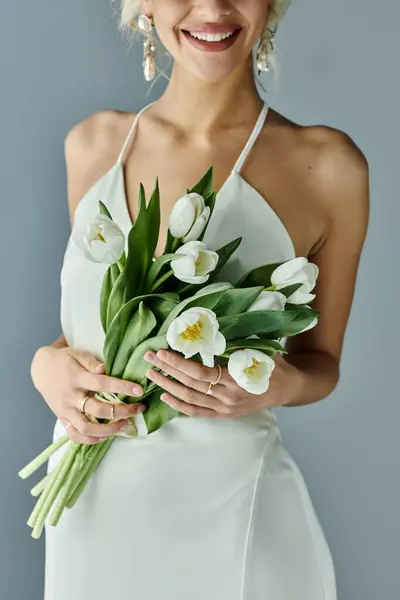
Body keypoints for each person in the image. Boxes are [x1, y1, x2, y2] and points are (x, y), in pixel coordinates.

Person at [31, 1, 369, 599]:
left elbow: (323, 365)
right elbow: (106, 330)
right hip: (90, 516)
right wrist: (45, 366)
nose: (212, 8)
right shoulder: (92, 145)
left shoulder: (328, 168)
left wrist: (278, 385)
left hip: (233, 511)